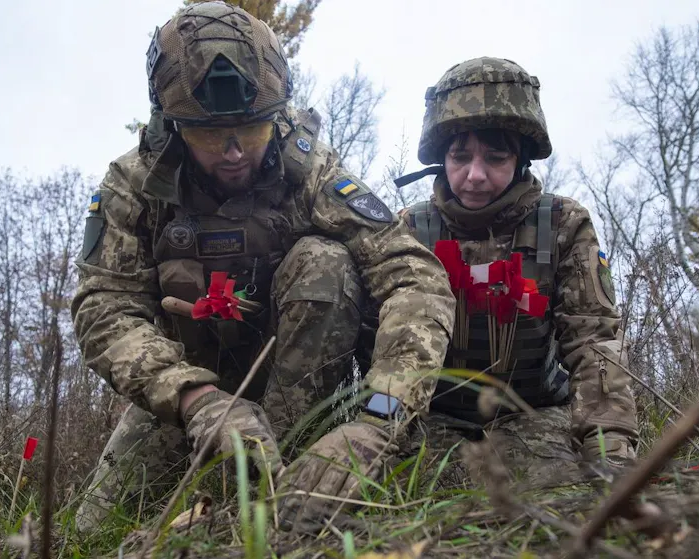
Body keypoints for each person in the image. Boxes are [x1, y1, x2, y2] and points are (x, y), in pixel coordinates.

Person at [71, 2, 454, 534]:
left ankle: (291, 472)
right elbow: (104, 307)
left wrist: (381, 419)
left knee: (326, 262)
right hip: (186, 392)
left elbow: (415, 278)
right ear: (173, 126)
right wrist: (192, 397)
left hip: (291, 389)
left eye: (250, 131)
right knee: (91, 531)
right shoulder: (135, 185)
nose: (232, 153)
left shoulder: (312, 172)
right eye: (209, 135)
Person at [395, 57, 639, 488]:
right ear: (441, 158)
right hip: (433, 420)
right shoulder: (410, 229)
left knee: (549, 501)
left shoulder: (563, 224)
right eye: (460, 156)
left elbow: (593, 340)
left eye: (495, 157)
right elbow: (379, 345)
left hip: (535, 415)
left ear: (521, 160)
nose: (475, 175)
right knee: (416, 494)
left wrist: (611, 450)